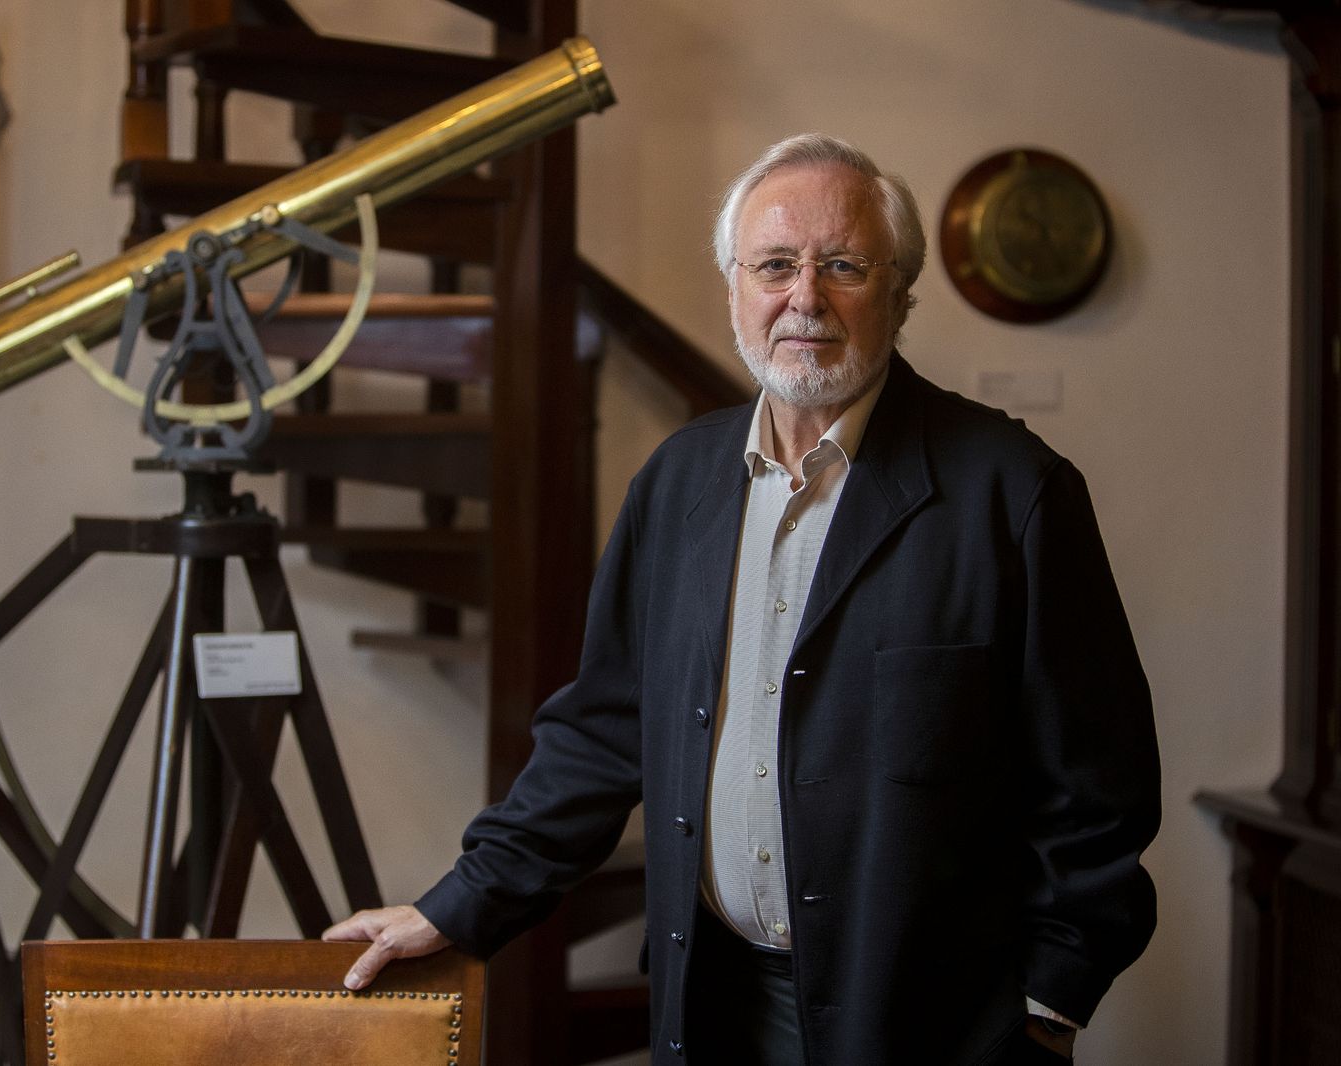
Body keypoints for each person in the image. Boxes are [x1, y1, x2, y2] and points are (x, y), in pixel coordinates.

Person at [323, 133, 1160, 1066]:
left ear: (900, 291)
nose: (804, 298)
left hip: (940, 1025)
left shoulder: (1013, 490)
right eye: (774, 265)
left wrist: (1049, 1004)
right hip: (714, 1004)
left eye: (843, 265)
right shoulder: (676, 482)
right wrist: (460, 905)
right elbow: (602, 731)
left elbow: (1100, 791)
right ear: (734, 287)